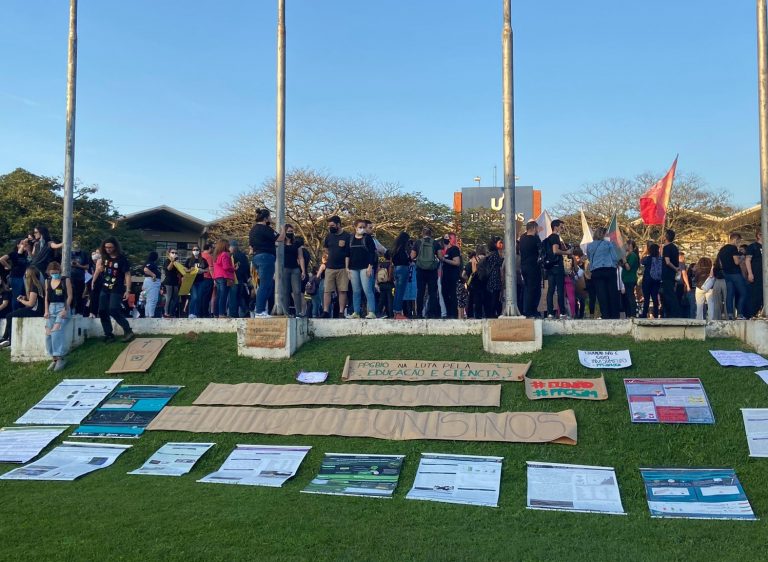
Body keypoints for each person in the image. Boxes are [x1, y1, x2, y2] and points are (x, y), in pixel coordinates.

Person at [95, 237, 135, 343]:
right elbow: (99, 270)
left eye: (110, 247)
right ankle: (108, 334)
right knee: (102, 311)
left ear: (115, 247)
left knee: (113, 309)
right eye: (106, 247)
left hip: (117, 287)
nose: (108, 249)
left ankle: (128, 330)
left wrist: (128, 290)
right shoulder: (104, 257)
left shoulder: (122, 259)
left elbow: (127, 274)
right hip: (105, 287)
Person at [249, 208, 287, 318]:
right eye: (270, 217)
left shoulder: (253, 230)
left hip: (256, 257)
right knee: (265, 285)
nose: (271, 219)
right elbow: (280, 238)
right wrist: (283, 229)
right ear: (265, 218)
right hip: (266, 258)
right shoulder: (266, 228)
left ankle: (261, 310)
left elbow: (252, 245)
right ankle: (260, 311)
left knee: (268, 285)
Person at [0, 266, 45, 348]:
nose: (25, 275)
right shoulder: (38, 285)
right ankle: (6, 337)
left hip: (35, 311)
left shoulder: (33, 287)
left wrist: (21, 301)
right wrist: (24, 298)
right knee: (14, 313)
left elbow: (31, 304)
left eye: (26, 274)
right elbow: (34, 299)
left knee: (9, 316)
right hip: (37, 309)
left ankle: (8, 338)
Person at [43, 261, 73, 371]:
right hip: (51, 308)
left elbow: (70, 296)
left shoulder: (65, 280)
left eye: (56, 272)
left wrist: (66, 309)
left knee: (57, 330)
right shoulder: (48, 281)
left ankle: (60, 357)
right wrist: (46, 310)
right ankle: (54, 358)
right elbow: (46, 297)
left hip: (62, 307)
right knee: (48, 333)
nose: (54, 274)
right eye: (52, 273)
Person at [346, 219, 377, 319]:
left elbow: (372, 253)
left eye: (364, 227)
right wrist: (347, 268)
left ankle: (371, 311)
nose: (362, 229)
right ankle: (356, 312)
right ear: (355, 227)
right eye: (360, 227)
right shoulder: (350, 239)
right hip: (353, 268)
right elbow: (347, 254)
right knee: (356, 291)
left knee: (367, 290)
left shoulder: (368, 238)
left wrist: (370, 267)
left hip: (365, 267)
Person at [587, 227, 620, 319]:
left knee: (601, 294)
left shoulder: (590, 246)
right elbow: (614, 257)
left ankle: (605, 315)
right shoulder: (609, 244)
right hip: (609, 269)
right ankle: (614, 315)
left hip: (596, 271)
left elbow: (590, 258)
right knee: (612, 293)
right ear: (603, 235)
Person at [717, 232, 751, 320]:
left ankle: (730, 314)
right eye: (739, 241)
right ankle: (740, 314)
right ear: (735, 239)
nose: (739, 243)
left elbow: (720, 263)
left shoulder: (722, 249)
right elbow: (736, 261)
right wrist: (742, 258)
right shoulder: (733, 248)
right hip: (735, 273)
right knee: (744, 293)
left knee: (730, 294)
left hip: (726, 274)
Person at [545, 219, 573, 318]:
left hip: (550, 267)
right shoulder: (555, 237)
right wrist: (567, 252)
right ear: (556, 227)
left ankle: (550, 312)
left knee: (551, 289)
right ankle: (562, 312)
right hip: (557, 266)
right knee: (560, 289)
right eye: (561, 227)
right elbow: (555, 251)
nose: (562, 229)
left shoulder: (548, 238)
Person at [411, 227, 441, 319]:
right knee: (432, 292)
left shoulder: (417, 242)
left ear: (422, 233)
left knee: (420, 291)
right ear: (431, 234)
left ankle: (419, 313)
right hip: (432, 270)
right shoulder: (435, 243)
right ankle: (431, 313)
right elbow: (440, 256)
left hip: (420, 270)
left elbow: (412, 256)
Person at [518, 221, 542, 318]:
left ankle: (525, 309)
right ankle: (531, 310)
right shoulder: (535, 239)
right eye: (536, 228)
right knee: (535, 289)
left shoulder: (522, 239)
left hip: (524, 266)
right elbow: (541, 250)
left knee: (527, 288)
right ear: (533, 228)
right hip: (533, 267)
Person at [0, 239, 30, 311]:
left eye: (24, 243)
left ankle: (22, 309)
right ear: (18, 245)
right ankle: (15, 311)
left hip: (25, 277)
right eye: (21, 243)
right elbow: (2, 259)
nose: (24, 244)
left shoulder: (26, 254)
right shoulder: (14, 253)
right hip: (16, 276)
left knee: (23, 294)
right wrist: (9, 267)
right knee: (16, 294)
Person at [282, 225, 306, 317]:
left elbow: (301, 257)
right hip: (284, 269)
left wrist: (303, 270)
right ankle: (286, 312)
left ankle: (298, 312)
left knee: (297, 291)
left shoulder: (297, 243)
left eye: (292, 231)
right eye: (288, 231)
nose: (290, 233)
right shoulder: (281, 244)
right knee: (286, 291)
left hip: (295, 269)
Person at [439, 233, 461, 319]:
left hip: (452, 276)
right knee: (445, 293)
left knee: (452, 294)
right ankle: (448, 312)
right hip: (445, 276)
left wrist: (444, 259)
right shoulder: (446, 250)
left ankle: (453, 314)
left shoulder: (454, 249)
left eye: (449, 238)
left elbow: (457, 262)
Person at [213, 240, 236, 318]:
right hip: (224, 276)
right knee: (223, 296)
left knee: (219, 295)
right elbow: (226, 267)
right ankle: (221, 313)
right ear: (225, 246)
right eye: (228, 245)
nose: (229, 246)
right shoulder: (225, 254)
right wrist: (234, 268)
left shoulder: (216, 255)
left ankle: (216, 313)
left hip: (217, 277)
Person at [661, 229, 681, 318]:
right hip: (672, 274)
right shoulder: (675, 248)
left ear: (666, 237)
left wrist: (675, 268)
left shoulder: (667, 247)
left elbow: (667, 261)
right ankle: (672, 313)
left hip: (667, 273)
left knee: (669, 294)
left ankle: (674, 313)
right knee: (670, 293)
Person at [391, 232, 411, 320]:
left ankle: (395, 311)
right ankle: (398, 311)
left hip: (396, 269)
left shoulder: (395, 248)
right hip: (403, 269)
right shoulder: (403, 249)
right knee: (400, 292)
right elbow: (405, 260)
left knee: (397, 292)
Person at [185, 245, 209, 319]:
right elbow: (185, 270)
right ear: (192, 251)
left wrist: (203, 271)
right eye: (194, 249)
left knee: (199, 298)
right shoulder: (189, 260)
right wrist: (190, 270)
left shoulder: (203, 260)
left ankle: (196, 313)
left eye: (197, 249)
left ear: (199, 251)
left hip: (201, 280)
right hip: (192, 281)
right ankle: (191, 313)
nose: (195, 251)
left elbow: (207, 269)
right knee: (194, 297)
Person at [640, 243, 662, 318]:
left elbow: (641, 261)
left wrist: (644, 252)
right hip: (656, 281)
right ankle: (656, 314)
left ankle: (644, 315)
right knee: (655, 298)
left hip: (647, 280)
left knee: (646, 299)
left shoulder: (647, 258)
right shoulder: (660, 259)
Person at [746, 230, 763, 318]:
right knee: (756, 296)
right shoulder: (753, 246)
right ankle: (752, 315)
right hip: (756, 274)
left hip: (765, 276)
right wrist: (750, 273)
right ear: (759, 235)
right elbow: (747, 260)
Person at [620, 240, 640, 318]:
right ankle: (629, 313)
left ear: (630, 245)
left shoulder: (632, 255)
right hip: (626, 279)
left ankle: (633, 314)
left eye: (626, 245)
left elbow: (628, 267)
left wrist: (624, 261)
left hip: (630, 279)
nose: (625, 246)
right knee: (628, 297)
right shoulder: (628, 255)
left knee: (630, 296)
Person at [162, 248, 182, 318]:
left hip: (175, 282)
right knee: (169, 298)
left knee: (176, 299)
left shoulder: (176, 262)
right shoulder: (167, 261)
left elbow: (180, 271)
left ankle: (172, 313)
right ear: (169, 253)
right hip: (168, 282)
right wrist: (172, 261)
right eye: (173, 252)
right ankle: (166, 313)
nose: (174, 254)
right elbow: (168, 268)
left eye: (176, 253)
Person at [142, 251, 162, 319]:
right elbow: (146, 269)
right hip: (152, 282)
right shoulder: (150, 263)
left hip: (152, 282)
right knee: (152, 300)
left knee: (149, 300)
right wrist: (153, 275)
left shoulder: (152, 263)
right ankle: (151, 315)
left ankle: (148, 315)